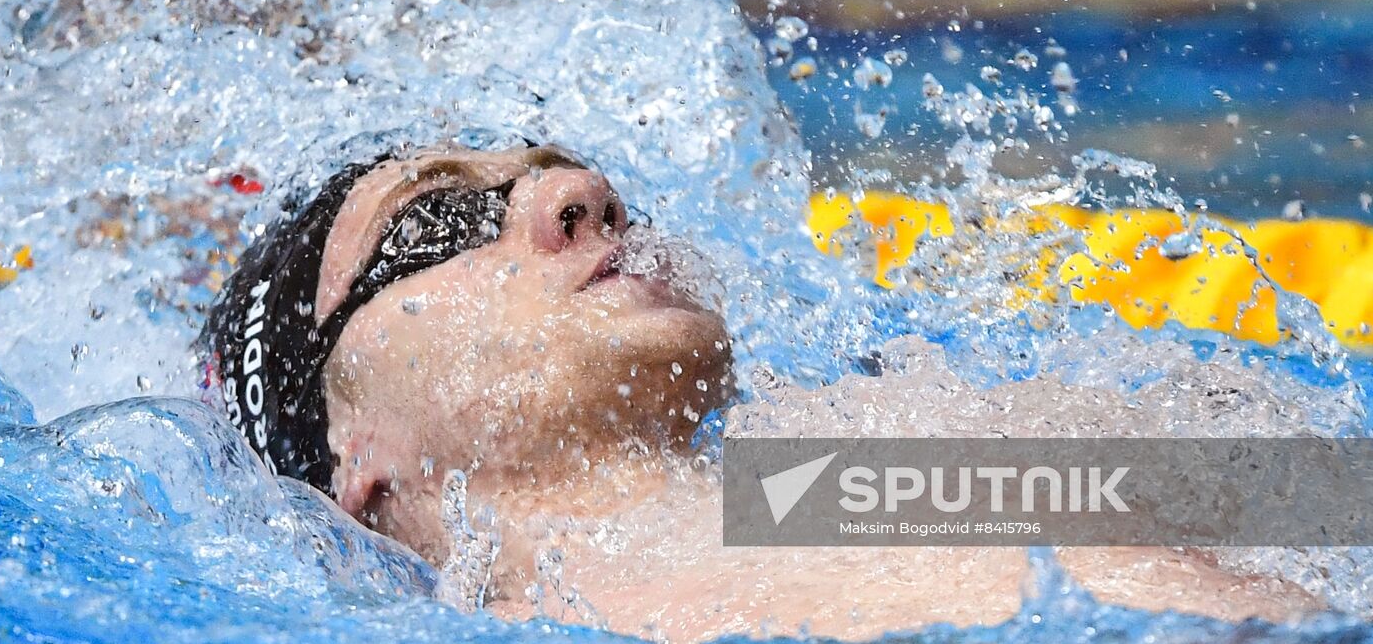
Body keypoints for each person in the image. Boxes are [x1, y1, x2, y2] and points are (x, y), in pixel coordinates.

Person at [202, 140, 1316, 642]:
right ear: (353, 460)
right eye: (437, 223)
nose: (579, 195)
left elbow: (1324, 500)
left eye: (555, 172)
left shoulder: (845, 456)